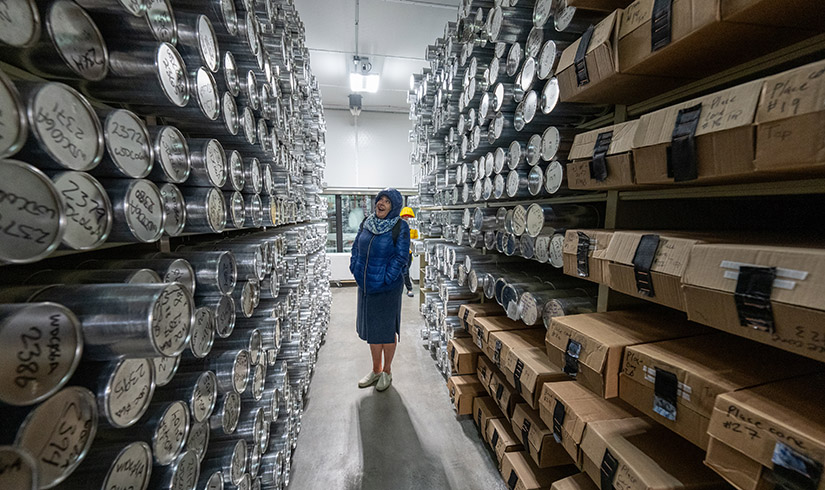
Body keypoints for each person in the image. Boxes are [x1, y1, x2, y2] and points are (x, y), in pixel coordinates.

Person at [349, 188, 411, 391]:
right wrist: (355, 267)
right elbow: (356, 246)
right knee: (372, 331)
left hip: (387, 288)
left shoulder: (400, 227)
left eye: (387, 201)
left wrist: (386, 278)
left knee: (385, 331)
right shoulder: (366, 222)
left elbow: (401, 257)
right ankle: (376, 370)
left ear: (394, 207)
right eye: (380, 200)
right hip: (366, 286)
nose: (381, 204)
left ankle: (387, 371)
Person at [399, 206, 419, 297]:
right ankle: (408, 288)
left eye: (408, 216)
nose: (406, 218)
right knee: (402, 271)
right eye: (405, 216)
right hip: (399, 252)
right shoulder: (398, 227)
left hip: (408, 253)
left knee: (406, 270)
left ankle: (408, 289)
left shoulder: (413, 229)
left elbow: (416, 240)